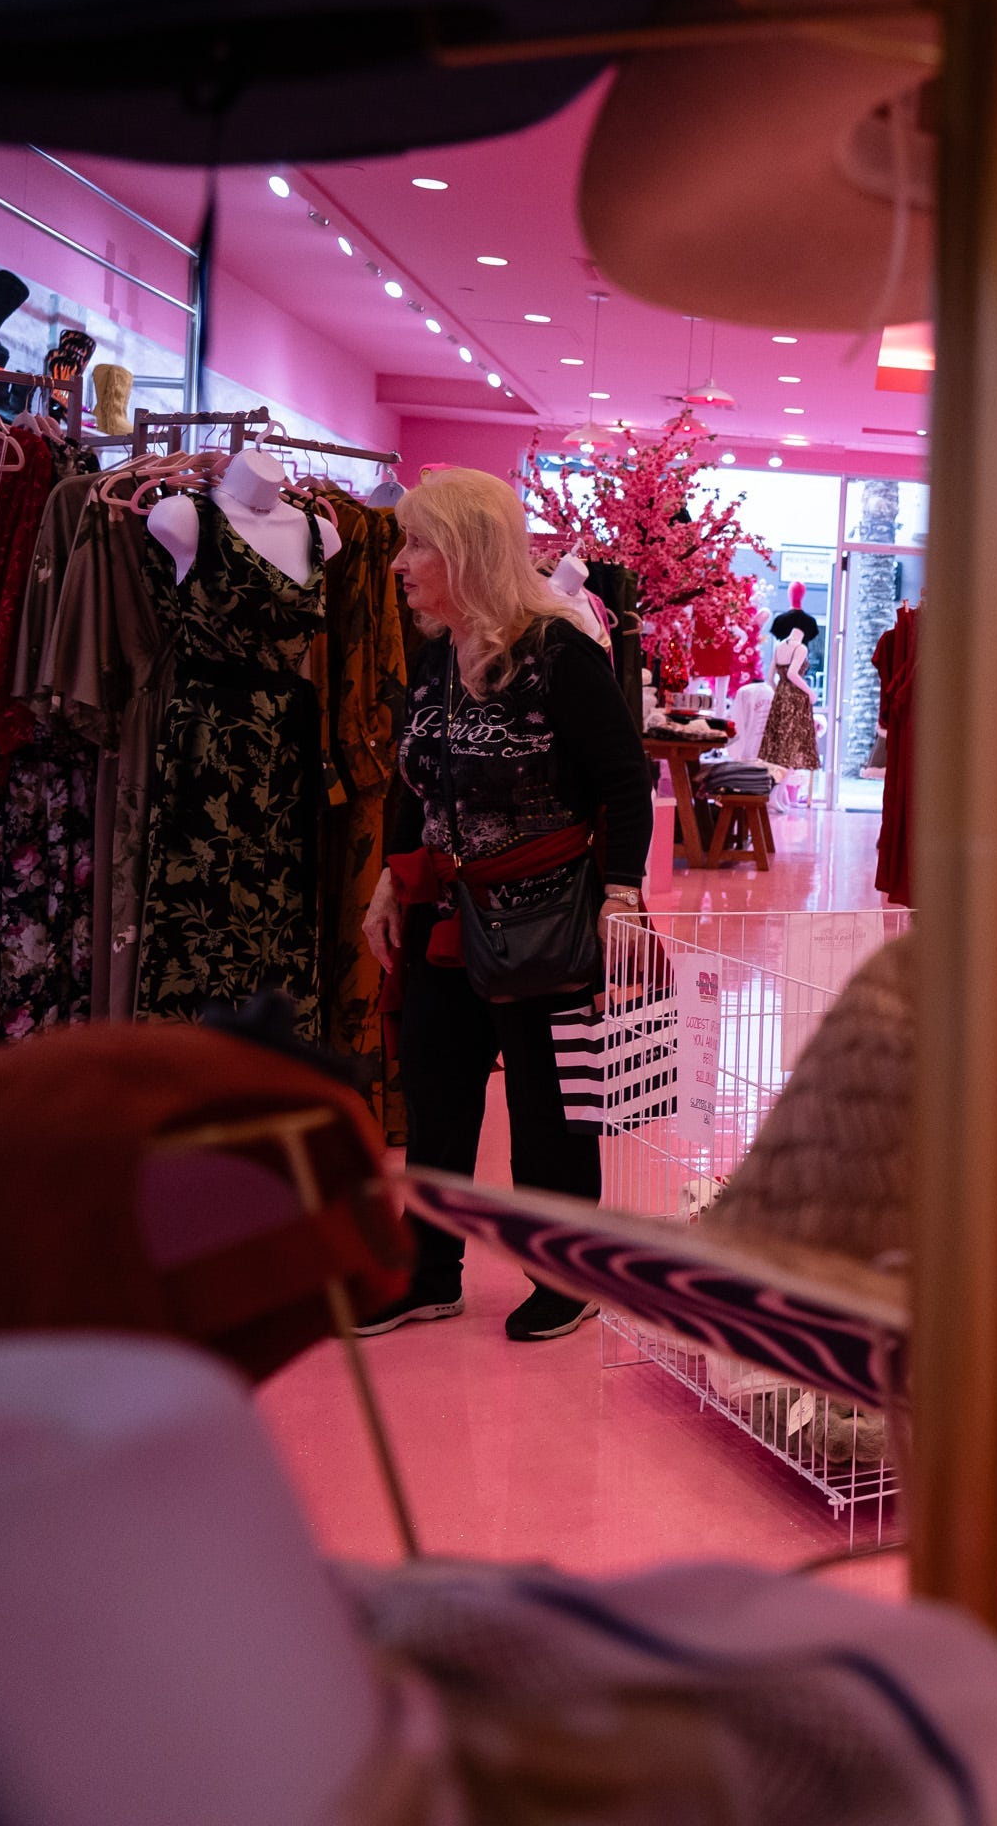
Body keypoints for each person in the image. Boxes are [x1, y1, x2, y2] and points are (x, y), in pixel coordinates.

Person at [357, 468, 655, 1341]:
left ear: (466, 551)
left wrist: (622, 890)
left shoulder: (559, 652)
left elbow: (623, 779)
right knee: (439, 1092)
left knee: (549, 1104)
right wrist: (388, 879)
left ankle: (567, 1275)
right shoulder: (438, 653)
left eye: (417, 545)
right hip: (448, 911)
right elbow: (417, 782)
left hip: (547, 914)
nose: (400, 564)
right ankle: (427, 1273)